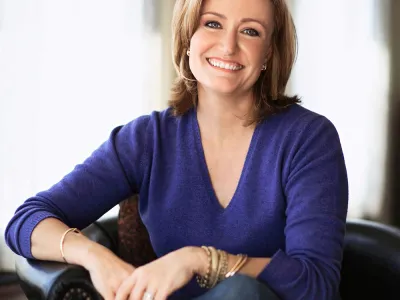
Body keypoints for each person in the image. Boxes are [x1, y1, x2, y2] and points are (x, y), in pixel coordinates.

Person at [5, 0, 348, 299]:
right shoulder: (148, 138)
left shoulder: (309, 139)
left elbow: (316, 284)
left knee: (242, 292)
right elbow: (26, 221)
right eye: (212, 23)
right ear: (187, 38)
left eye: (251, 31)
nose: (228, 46)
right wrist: (96, 257)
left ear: (269, 52)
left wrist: (200, 260)